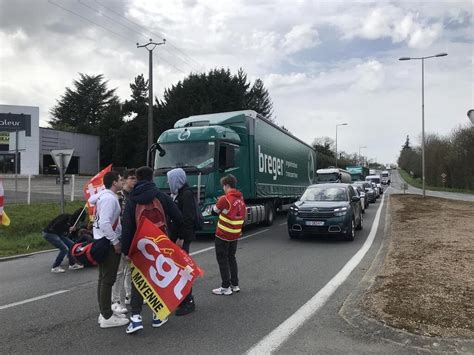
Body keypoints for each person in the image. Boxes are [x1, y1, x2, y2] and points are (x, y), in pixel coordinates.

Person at [121, 166, 184, 334]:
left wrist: (126, 251)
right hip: (161, 244)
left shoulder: (132, 199)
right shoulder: (161, 196)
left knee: (138, 280)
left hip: (140, 245)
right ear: (152, 178)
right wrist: (175, 238)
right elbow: (179, 218)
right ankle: (158, 316)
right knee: (157, 278)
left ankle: (135, 318)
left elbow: (127, 227)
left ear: (138, 178)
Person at [89, 171, 129, 329]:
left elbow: (92, 199)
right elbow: (105, 222)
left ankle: (104, 311)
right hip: (107, 242)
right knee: (108, 279)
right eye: (120, 179)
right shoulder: (109, 199)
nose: (123, 181)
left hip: (102, 240)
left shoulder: (103, 196)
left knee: (103, 277)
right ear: (114, 182)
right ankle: (106, 315)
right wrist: (115, 241)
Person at [166, 168, 197, 316]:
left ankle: (188, 301)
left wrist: (181, 237)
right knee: (178, 269)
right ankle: (183, 299)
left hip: (181, 238)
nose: (168, 182)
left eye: (170, 179)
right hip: (176, 237)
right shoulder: (177, 194)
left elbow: (188, 219)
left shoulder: (186, 195)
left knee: (183, 269)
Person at [212, 174, 246, 296]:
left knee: (222, 260)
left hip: (223, 235)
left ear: (226, 185)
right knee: (232, 258)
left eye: (223, 186)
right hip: (235, 235)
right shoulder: (240, 199)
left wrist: (218, 204)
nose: (223, 189)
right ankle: (235, 284)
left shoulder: (224, 199)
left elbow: (214, 211)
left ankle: (225, 287)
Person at [111, 169, 136, 312]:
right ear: (125, 180)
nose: (134, 181)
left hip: (132, 236)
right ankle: (116, 300)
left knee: (130, 269)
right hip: (120, 236)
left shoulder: (134, 196)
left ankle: (129, 294)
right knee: (119, 271)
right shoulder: (119, 197)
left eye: (135, 179)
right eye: (131, 178)